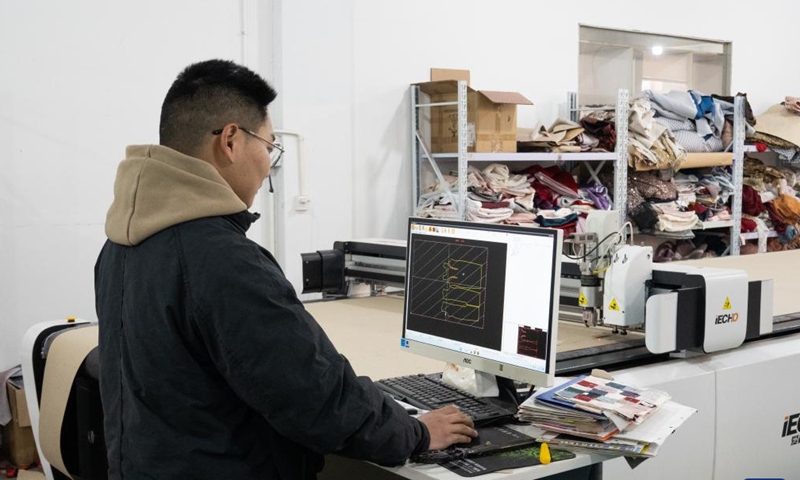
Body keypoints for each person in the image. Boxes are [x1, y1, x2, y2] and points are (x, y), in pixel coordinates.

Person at [94, 59, 476, 480]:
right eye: (269, 146)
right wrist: (415, 432)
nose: (268, 165)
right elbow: (315, 397)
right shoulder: (222, 259)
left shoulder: (123, 242)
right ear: (231, 141)